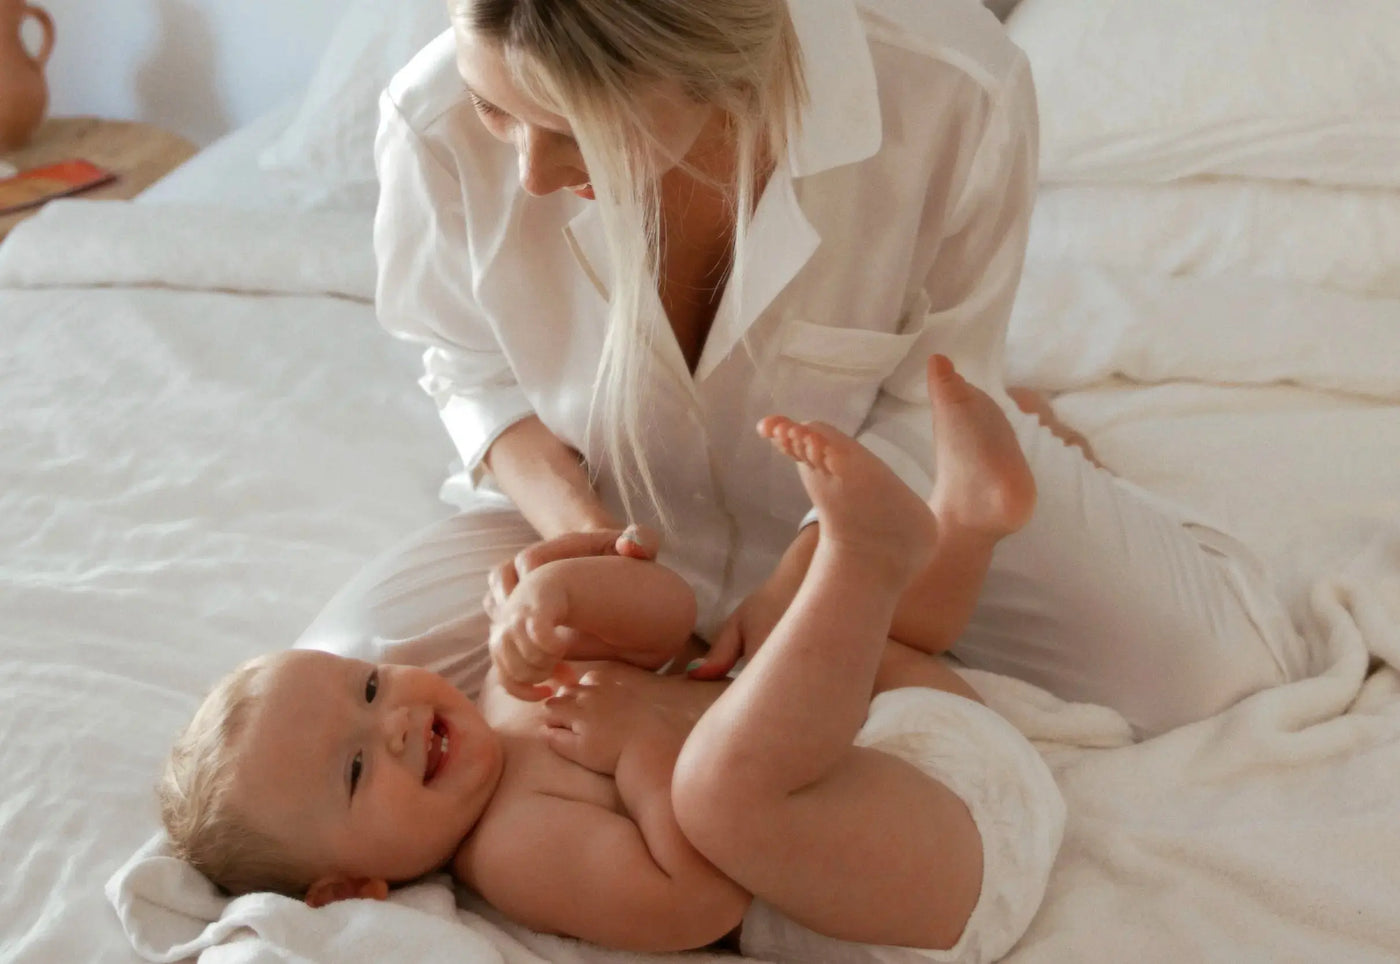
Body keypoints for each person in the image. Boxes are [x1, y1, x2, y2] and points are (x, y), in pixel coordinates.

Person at [296, 0, 1305, 736]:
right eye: (496, 112)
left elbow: (932, 384)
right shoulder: (430, 113)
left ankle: (1025, 424)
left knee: (1219, 677)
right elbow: (467, 365)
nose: (529, 174)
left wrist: (814, 579)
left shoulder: (951, 86)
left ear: (725, 78)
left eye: (575, 133)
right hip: (599, 497)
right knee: (321, 706)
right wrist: (585, 542)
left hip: (884, 489)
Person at [159, 357, 1065, 963]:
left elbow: (671, 622)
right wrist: (639, 748)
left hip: (901, 743)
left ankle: (967, 521)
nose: (392, 722)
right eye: (355, 769)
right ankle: (864, 555)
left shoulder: (507, 684)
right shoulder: (512, 849)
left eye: (366, 687)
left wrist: (564, 596)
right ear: (352, 888)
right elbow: (697, 903)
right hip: (919, 879)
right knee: (721, 792)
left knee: (761, 635)